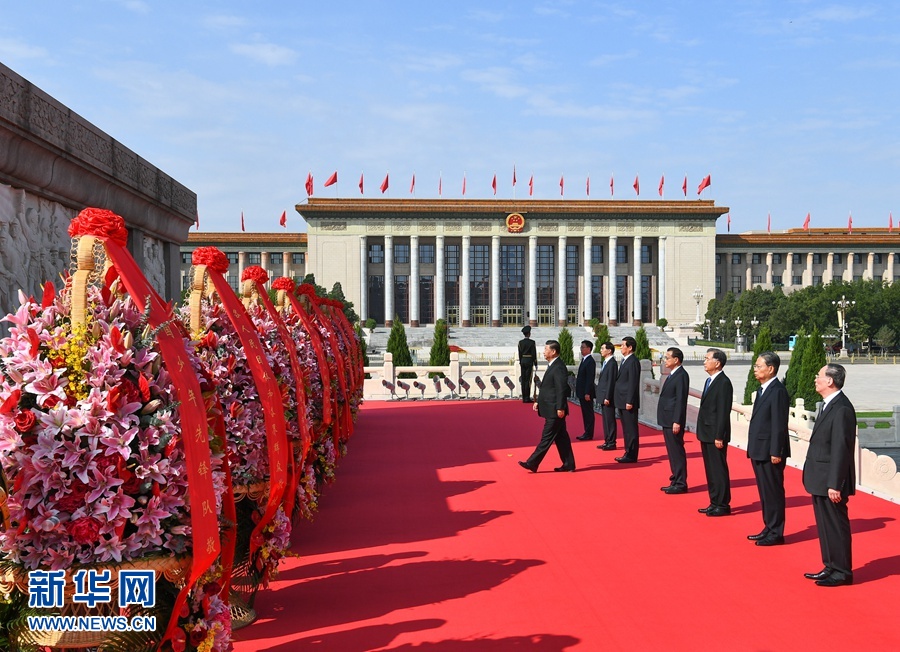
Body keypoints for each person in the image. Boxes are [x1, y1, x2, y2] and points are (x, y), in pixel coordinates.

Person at [802, 363, 856, 586]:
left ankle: (842, 571)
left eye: (819, 376)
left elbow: (841, 449)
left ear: (830, 381)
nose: (815, 379)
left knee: (835, 524)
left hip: (831, 480)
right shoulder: (827, 405)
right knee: (825, 526)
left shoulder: (842, 408)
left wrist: (835, 483)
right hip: (820, 477)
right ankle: (830, 565)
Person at [746, 351, 791, 546]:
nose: (755, 369)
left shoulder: (778, 391)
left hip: (770, 451)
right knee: (764, 492)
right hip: (759, 448)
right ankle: (768, 526)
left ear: (771, 369)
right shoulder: (763, 389)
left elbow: (779, 424)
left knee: (773, 492)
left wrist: (776, 451)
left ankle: (776, 532)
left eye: (759, 366)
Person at [519, 340, 576, 473]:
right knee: (562, 438)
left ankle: (532, 462)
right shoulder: (553, 365)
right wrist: (538, 401)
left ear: (553, 351)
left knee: (547, 438)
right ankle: (569, 464)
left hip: (555, 410)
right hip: (551, 407)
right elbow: (548, 388)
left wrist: (560, 407)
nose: (544, 352)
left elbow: (561, 389)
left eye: (546, 349)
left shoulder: (559, 367)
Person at [696, 348, 733, 517]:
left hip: (715, 434)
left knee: (718, 469)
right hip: (706, 431)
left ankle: (722, 504)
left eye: (707, 359)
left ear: (717, 363)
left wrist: (719, 435)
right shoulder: (709, 381)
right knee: (710, 469)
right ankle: (714, 501)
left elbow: (723, 412)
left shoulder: (724, 383)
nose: (704, 362)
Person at [658, 347, 689, 493]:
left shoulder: (681, 375)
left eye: (667, 358)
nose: (665, 360)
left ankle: (681, 483)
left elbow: (681, 400)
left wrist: (677, 420)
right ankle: (675, 479)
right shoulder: (673, 374)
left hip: (673, 420)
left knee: (676, 451)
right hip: (667, 418)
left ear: (676, 360)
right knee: (672, 451)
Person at [614, 336, 641, 463]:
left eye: (623, 345)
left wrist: (629, 401)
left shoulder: (633, 361)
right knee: (626, 429)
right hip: (621, 399)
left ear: (630, 347)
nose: (621, 347)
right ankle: (627, 452)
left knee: (631, 429)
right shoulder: (625, 361)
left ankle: (631, 454)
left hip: (628, 401)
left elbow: (633, 383)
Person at [595, 342, 618, 451]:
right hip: (603, 395)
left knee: (610, 420)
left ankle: (612, 442)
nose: (601, 350)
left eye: (603, 348)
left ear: (609, 351)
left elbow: (611, 382)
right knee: (605, 420)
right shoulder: (606, 362)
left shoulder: (612, 363)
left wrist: (608, 397)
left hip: (607, 396)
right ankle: (607, 440)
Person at [575, 340, 597, 441]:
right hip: (582, 391)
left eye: (583, 347)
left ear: (589, 349)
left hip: (586, 392)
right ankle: (586, 432)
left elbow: (590, 378)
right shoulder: (584, 360)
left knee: (588, 413)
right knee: (585, 413)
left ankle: (589, 433)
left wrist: (587, 392)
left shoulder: (590, 361)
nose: (581, 349)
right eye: (581, 347)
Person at [518, 325, 538, 403]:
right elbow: (534, 353)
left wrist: (521, 362)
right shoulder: (532, 342)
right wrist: (535, 363)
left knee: (523, 379)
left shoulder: (520, 343)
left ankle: (524, 397)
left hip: (523, 361)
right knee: (528, 380)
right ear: (529, 333)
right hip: (529, 361)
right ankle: (527, 397)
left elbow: (520, 354)